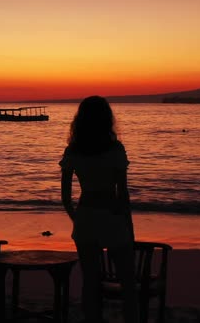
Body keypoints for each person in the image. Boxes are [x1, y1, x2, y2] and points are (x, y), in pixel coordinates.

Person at [60, 96, 138, 323]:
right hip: (112, 216)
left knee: (91, 282)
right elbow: (122, 194)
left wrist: (77, 218)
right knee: (127, 283)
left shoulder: (73, 150)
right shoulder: (115, 149)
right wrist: (129, 226)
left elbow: (65, 198)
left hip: (86, 216)